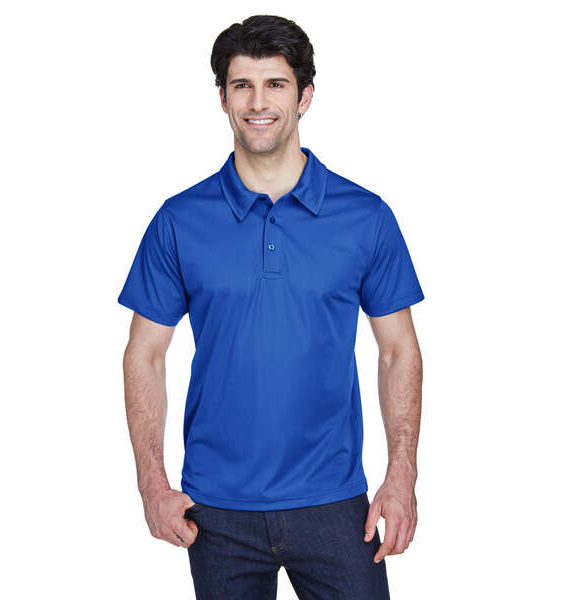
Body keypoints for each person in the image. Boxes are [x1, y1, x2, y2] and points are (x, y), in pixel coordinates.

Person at [118, 14, 424, 599]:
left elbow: (397, 350)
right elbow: (145, 355)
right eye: (242, 85)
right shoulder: (179, 221)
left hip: (335, 501)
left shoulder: (366, 216)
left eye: (276, 84)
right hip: (215, 509)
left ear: (304, 96)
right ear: (223, 99)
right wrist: (151, 484)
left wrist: (402, 473)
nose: (258, 103)